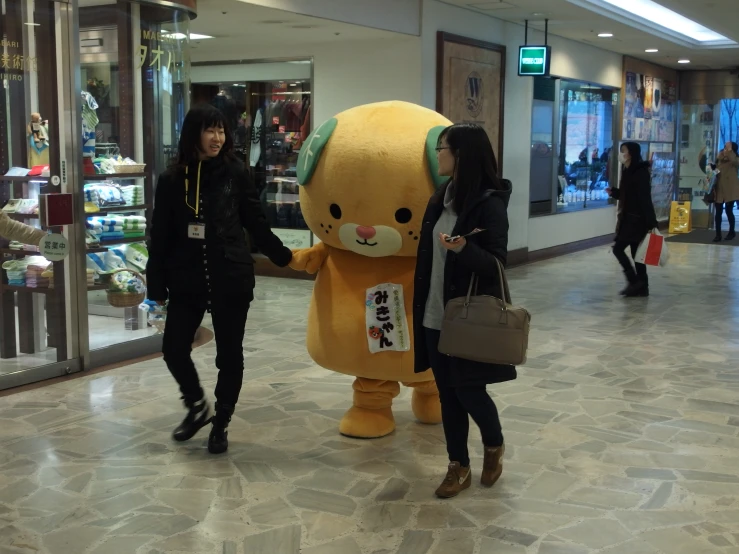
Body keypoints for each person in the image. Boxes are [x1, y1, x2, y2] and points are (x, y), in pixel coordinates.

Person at [147, 104, 292, 454]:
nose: (217, 138)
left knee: (229, 356)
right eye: (210, 130)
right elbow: (160, 235)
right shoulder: (170, 180)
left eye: (222, 131)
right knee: (173, 349)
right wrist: (156, 284)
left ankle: (221, 421)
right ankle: (196, 405)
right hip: (186, 278)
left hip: (230, 275)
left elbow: (254, 221)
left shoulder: (235, 172)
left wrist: (282, 255)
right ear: (193, 134)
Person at [412, 123, 515, 499]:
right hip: (433, 316)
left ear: (462, 155)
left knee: (469, 391)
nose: (438, 154)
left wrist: (462, 250)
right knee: (447, 396)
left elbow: (497, 264)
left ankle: (493, 443)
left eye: (443, 148)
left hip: (467, 318)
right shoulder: (439, 197)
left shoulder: (488, 205)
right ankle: (458, 467)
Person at [606, 142, 657, 297]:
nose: (621, 154)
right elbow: (628, 194)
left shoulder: (640, 172)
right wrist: (614, 192)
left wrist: (651, 222)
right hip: (629, 217)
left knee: (618, 249)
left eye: (624, 151)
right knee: (637, 253)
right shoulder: (627, 170)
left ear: (632, 153)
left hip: (636, 220)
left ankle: (634, 282)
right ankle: (643, 286)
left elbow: (644, 198)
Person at [713, 141, 739, 242]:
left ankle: (731, 232)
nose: (725, 149)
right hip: (719, 189)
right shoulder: (719, 160)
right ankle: (718, 234)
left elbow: (734, 162)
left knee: (729, 211)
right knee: (718, 212)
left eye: (728, 147)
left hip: (730, 190)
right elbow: (716, 172)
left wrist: (729, 151)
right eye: (725, 147)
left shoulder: (735, 159)